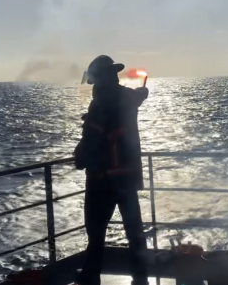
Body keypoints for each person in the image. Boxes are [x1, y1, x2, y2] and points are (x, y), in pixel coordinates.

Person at [74, 55, 149, 285]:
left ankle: (89, 279)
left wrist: (79, 156)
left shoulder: (99, 105)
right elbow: (139, 96)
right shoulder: (128, 96)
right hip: (127, 179)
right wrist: (143, 93)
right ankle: (141, 279)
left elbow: (89, 146)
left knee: (96, 236)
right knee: (135, 234)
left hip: (102, 182)